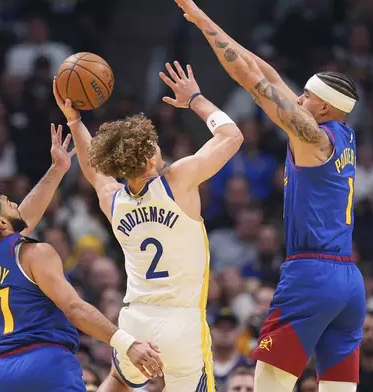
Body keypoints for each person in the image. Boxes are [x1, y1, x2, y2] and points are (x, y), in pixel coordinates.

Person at [173, 1, 365, 391]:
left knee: (269, 383)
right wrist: (202, 19)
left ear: (324, 106)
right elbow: (268, 72)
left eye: (306, 96)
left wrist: (201, 21)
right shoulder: (344, 134)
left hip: (312, 273)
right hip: (349, 280)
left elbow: (251, 80)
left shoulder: (311, 136)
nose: (297, 99)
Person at [53, 56, 243, 391]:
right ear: (147, 156)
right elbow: (232, 136)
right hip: (182, 322)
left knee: (118, 380)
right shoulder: (177, 180)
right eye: (153, 145)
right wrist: (195, 99)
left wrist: (74, 121)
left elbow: (92, 169)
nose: (159, 147)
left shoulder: (113, 200)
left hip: (134, 320)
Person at [0, 124, 162, 392]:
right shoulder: (35, 253)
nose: (15, 202)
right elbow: (74, 308)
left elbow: (20, 221)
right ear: (1, 220)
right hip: (44, 364)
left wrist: (58, 168)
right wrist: (127, 343)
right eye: (7, 201)